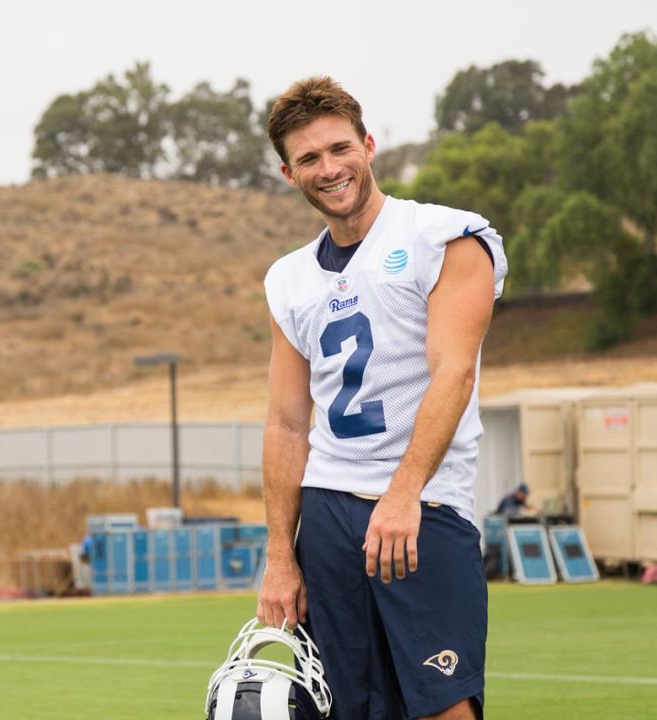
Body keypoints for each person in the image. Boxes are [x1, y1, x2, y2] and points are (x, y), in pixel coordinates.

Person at [256, 77, 507, 720]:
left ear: (369, 145)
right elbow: (287, 423)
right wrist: (280, 555)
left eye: (340, 148)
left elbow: (454, 374)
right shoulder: (289, 278)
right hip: (327, 515)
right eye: (308, 158)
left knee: (443, 707)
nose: (329, 168)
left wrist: (403, 494)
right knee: (342, 707)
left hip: (422, 506)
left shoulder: (444, 237)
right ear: (289, 174)